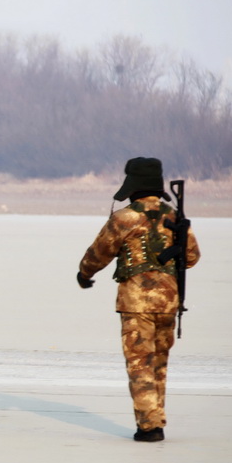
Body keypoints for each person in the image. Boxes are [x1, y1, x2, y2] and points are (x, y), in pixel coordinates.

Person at [77, 157, 200, 442]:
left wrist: (84, 274)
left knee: (140, 363)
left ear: (132, 185)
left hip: (136, 303)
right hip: (169, 300)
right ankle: (156, 417)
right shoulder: (174, 217)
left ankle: (149, 427)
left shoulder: (125, 218)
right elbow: (192, 258)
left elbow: (99, 253)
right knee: (159, 362)